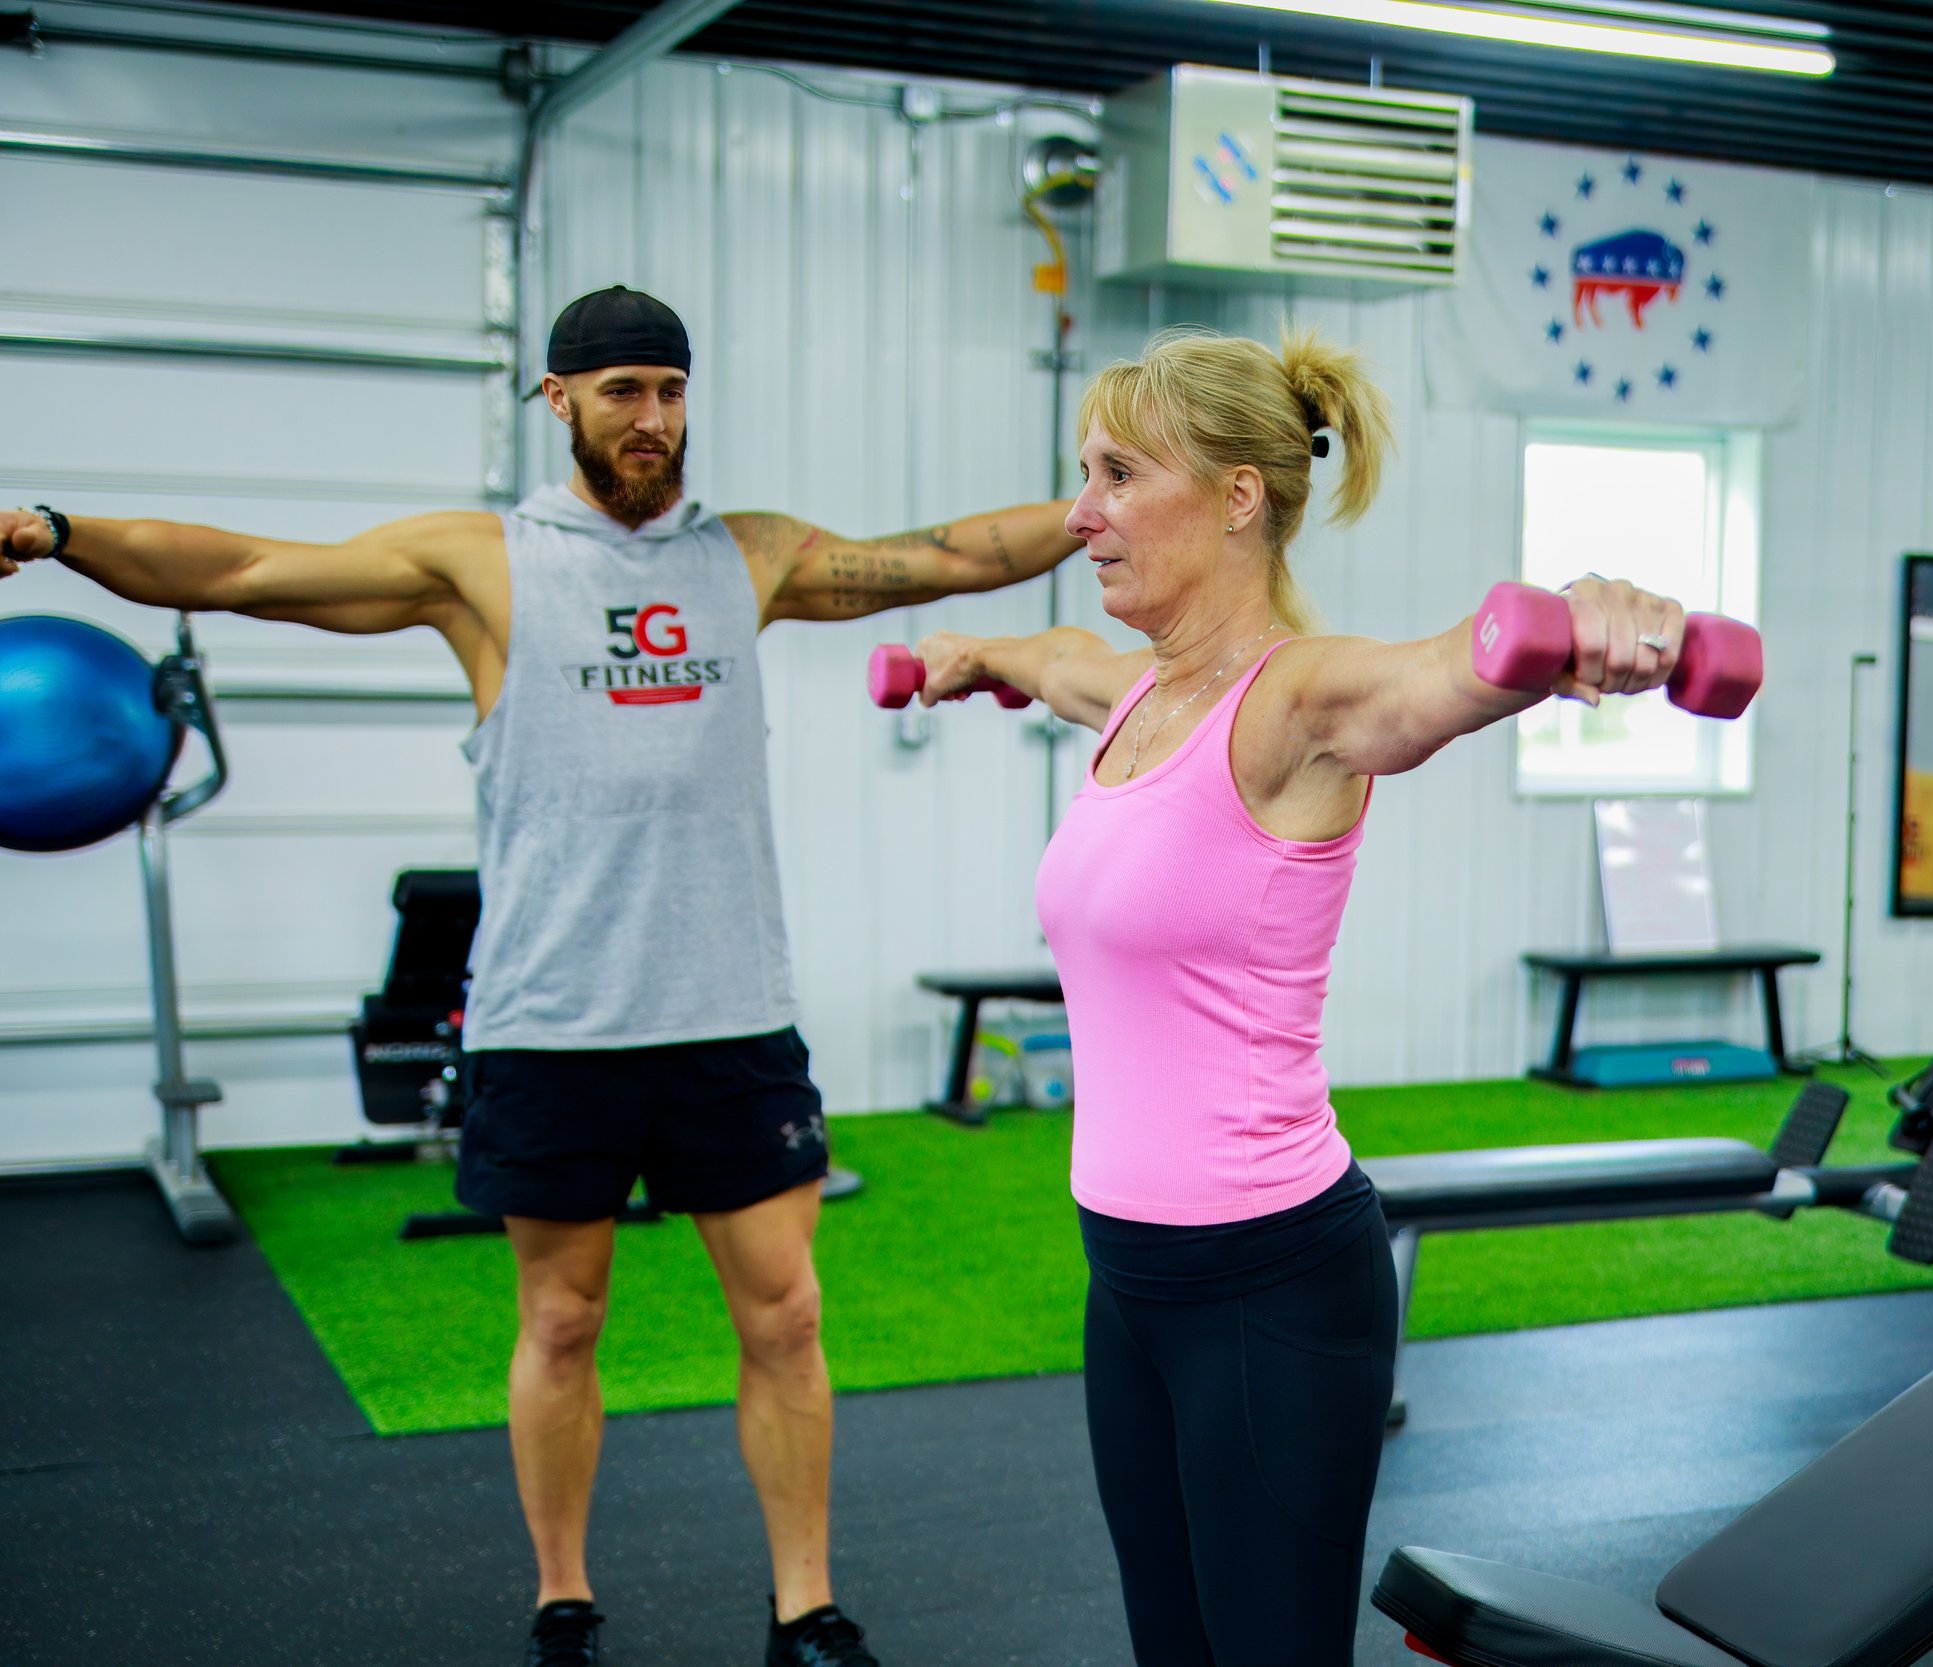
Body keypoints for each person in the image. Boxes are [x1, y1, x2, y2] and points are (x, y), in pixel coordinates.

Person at [0, 285, 1084, 1667]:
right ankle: (561, 1598)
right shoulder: (485, 563)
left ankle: (806, 1609)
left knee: (789, 1311)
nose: (652, 419)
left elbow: (941, 557)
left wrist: (1101, 512)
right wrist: (58, 533)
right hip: (553, 1023)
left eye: (671, 391)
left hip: (730, 1016)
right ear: (558, 400)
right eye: (623, 390)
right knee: (562, 1318)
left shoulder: (747, 559)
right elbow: (243, 570)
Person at [908, 325, 1689, 1667]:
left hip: (1268, 1290)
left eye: (1115, 475)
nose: (1081, 514)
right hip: (1129, 1284)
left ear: (1235, 496)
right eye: (1080, 476)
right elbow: (1056, 659)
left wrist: (1583, 615)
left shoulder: (1301, 704)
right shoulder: (1141, 695)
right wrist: (980, 652)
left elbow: (1449, 671)